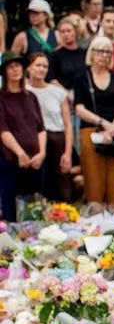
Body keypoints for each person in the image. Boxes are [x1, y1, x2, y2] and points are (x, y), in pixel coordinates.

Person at [74, 35, 114, 211]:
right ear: (92, 53)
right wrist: (102, 123)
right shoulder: (82, 77)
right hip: (91, 130)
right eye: (100, 51)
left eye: (108, 52)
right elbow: (79, 108)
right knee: (94, 179)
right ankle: (95, 216)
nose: (104, 55)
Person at [0, 53, 45, 220]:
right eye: (10, 67)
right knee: (11, 203)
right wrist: (20, 153)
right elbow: (3, 130)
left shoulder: (31, 97)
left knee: (35, 205)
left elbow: (41, 128)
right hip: (11, 158)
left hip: (35, 159)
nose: (15, 70)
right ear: (4, 72)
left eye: (18, 65)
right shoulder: (1, 98)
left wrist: (42, 153)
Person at [26, 53, 74, 203]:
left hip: (57, 140)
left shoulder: (57, 92)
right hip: (33, 141)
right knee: (36, 185)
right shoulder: (24, 91)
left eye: (45, 66)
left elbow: (68, 125)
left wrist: (67, 153)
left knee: (61, 184)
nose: (42, 69)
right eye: (38, 65)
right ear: (29, 68)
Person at [45, 18, 86, 91]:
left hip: (83, 91)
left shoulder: (84, 53)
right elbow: (52, 79)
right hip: (62, 92)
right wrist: (65, 93)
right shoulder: (54, 55)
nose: (66, 34)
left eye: (69, 31)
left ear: (76, 32)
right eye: (62, 32)